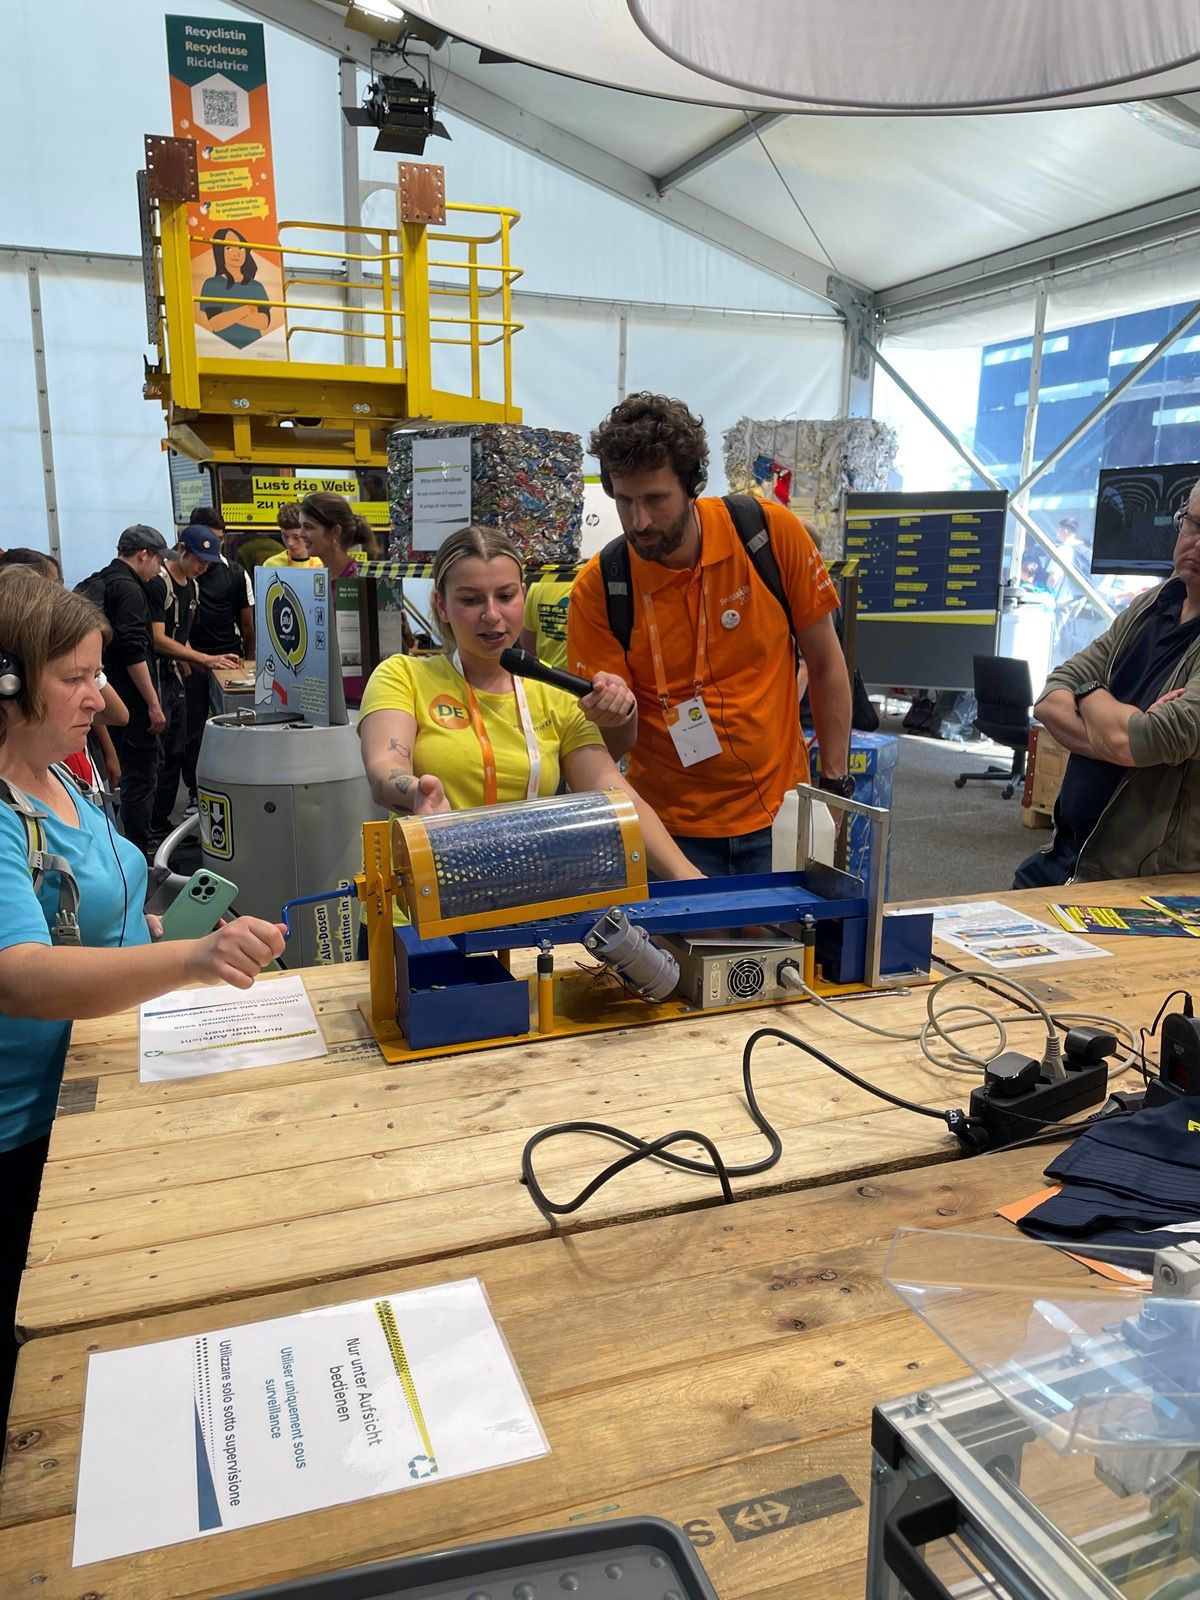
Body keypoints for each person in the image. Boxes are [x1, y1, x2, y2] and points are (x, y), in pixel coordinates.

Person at [0, 567, 285, 1428]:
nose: (100, 695)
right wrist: (191, 961)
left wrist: (159, 943)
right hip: (27, 1133)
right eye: (75, 677)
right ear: (7, 683)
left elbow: (88, 924)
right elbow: (19, 971)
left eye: (97, 672)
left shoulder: (62, 774)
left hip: (97, 1093)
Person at [567, 393, 853, 877]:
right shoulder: (601, 586)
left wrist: (834, 786)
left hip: (778, 816)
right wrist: (613, 712)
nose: (640, 522)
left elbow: (825, 665)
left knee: (784, 952)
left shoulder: (767, 534)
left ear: (694, 484)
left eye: (655, 499)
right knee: (674, 956)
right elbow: (613, 743)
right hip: (667, 830)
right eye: (625, 501)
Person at [357, 525, 701, 881]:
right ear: (441, 605)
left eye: (505, 596)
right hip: (420, 903)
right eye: (470, 600)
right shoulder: (404, 676)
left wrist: (688, 878)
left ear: (523, 595)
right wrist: (417, 793)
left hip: (521, 897)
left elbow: (614, 792)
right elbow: (385, 767)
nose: (491, 615)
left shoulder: (554, 695)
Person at [1015, 479, 1200, 886]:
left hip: (1139, 880)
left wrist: (1088, 694)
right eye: (1194, 525)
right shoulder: (1151, 606)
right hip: (1065, 855)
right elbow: (1050, 697)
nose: (1198, 545)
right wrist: (1121, 726)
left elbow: (1147, 738)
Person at [74, 524, 170, 859]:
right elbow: (133, 649)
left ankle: (116, 849)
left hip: (99, 702)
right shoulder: (130, 590)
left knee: (109, 782)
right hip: (128, 703)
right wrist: (153, 703)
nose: (159, 568)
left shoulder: (97, 581)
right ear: (143, 554)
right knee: (141, 780)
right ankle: (139, 856)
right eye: (158, 559)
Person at [147, 527, 241, 852]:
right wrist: (202, 657)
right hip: (154, 679)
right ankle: (147, 832)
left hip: (177, 681)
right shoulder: (159, 583)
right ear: (181, 549)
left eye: (208, 563)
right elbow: (158, 639)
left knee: (177, 751)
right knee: (155, 757)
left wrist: (201, 662)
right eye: (199, 560)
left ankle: (162, 825)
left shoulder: (193, 588)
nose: (203, 567)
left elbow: (180, 636)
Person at [182, 508, 255, 811]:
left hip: (230, 661)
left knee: (238, 728)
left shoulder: (236, 573)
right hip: (193, 662)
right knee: (193, 731)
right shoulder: (182, 576)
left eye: (219, 540)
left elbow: (249, 624)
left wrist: (250, 663)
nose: (211, 549)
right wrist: (188, 660)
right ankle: (195, 793)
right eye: (206, 542)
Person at [198, 228, 273, 350]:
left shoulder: (256, 286)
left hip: (255, 348)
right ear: (219, 251)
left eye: (241, 248)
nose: (236, 253)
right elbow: (216, 323)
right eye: (229, 248)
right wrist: (248, 308)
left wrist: (227, 314)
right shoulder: (212, 284)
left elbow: (264, 322)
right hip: (220, 348)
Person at [298, 491, 382, 576]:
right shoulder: (318, 578)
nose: (300, 534)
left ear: (335, 531)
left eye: (308, 527)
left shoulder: (359, 581)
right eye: (300, 526)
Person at [519, 572, 574, 671]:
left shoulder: (537, 585)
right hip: (587, 681)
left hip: (546, 678)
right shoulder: (592, 582)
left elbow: (527, 647)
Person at [261, 504, 322, 572]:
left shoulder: (323, 564)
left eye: (296, 537)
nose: (290, 543)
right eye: (285, 536)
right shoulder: (271, 565)